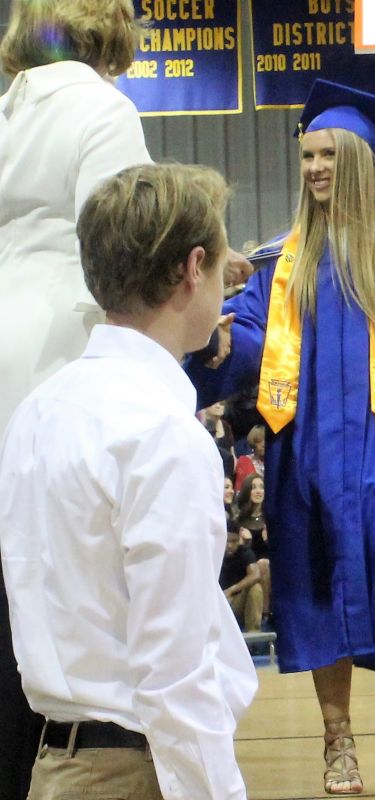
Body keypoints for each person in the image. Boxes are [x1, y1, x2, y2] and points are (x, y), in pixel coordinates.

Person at [186, 78, 375, 794]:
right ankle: (338, 740)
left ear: (357, 160)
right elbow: (251, 341)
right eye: (307, 156)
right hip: (305, 446)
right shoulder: (281, 259)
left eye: (328, 155)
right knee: (314, 582)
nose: (315, 167)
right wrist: (217, 347)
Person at [0, 163, 257, 800]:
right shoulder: (162, 434)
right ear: (193, 268)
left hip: (55, 763)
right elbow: (176, 674)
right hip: (135, 770)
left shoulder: (37, 411)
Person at [0, 3, 153, 796]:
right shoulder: (103, 108)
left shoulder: (10, 109)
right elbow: (121, 249)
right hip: (63, 361)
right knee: (58, 615)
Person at [237, 473, 271, 621]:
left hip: (270, 567)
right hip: (246, 568)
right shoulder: (239, 520)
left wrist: (269, 541)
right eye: (254, 487)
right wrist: (245, 543)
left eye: (262, 487)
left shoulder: (271, 518)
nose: (258, 491)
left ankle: (265, 613)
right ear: (247, 491)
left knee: (264, 564)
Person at [220, 520, 263, 633]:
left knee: (256, 588)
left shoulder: (245, 553)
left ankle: (254, 635)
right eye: (226, 541)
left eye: (234, 541)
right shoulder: (212, 553)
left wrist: (231, 590)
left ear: (239, 539)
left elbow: (256, 574)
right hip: (216, 604)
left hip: (236, 601)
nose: (229, 545)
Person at [234, 424, 265, 490]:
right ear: (253, 443)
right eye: (259, 441)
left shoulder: (275, 463)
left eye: (266, 441)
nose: (264, 445)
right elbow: (240, 490)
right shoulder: (244, 461)